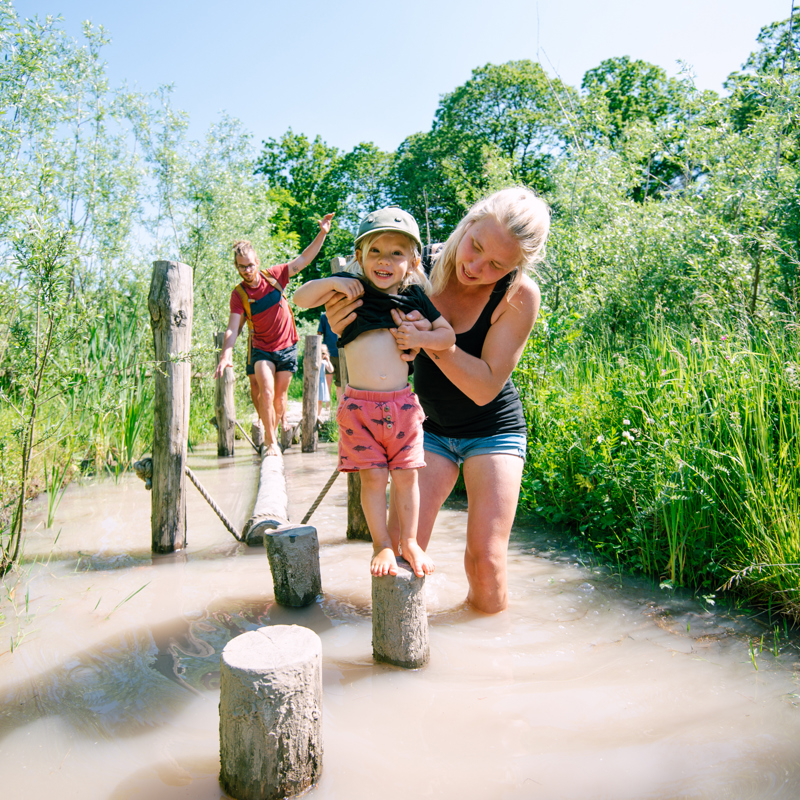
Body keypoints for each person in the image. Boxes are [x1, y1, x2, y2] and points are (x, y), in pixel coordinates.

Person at [323, 187, 549, 613]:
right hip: (422, 427)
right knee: (399, 551)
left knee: (485, 560)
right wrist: (342, 320)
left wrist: (428, 340)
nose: (475, 266)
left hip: (492, 429)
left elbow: (483, 386)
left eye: (497, 265)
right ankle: (397, 659)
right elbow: (354, 309)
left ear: (516, 265)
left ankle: (489, 658)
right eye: (475, 246)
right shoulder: (413, 262)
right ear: (468, 223)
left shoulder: (520, 294)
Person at [293, 206, 455, 577]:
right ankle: (381, 544)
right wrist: (334, 282)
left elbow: (447, 335)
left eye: (396, 253)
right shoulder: (351, 293)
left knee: (407, 478)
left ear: (413, 261)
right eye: (375, 251)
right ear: (359, 256)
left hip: (401, 405)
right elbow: (301, 296)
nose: (385, 260)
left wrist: (420, 336)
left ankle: (410, 542)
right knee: (373, 479)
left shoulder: (415, 298)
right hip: (359, 407)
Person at [214, 214, 334, 456]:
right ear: (236, 267)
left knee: (280, 398)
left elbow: (303, 259)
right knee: (265, 391)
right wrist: (226, 354)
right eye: (241, 267)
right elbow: (232, 326)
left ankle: (278, 428)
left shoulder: (275, 275)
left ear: (257, 261)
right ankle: (271, 443)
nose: (247, 271)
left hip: (287, 345)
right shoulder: (238, 294)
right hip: (261, 348)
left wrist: (322, 233)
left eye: (250, 265)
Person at [317, 311, 341, 394]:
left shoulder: (343, 313)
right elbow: (319, 333)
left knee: (340, 383)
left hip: (341, 352)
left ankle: (338, 405)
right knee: (328, 380)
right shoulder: (324, 316)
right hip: (328, 353)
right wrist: (319, 350)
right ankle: (327, 406)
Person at [317, 344, 334, 419]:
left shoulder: (324, 362)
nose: (321, 355)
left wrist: (328, 360)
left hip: (321, 382)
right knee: (314, 400)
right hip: (315, 381)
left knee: (320, 400)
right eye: (320, 352)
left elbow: (331, 370)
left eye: (323, 353)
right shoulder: (315, 361)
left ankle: (318, 415)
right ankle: (314, 413)